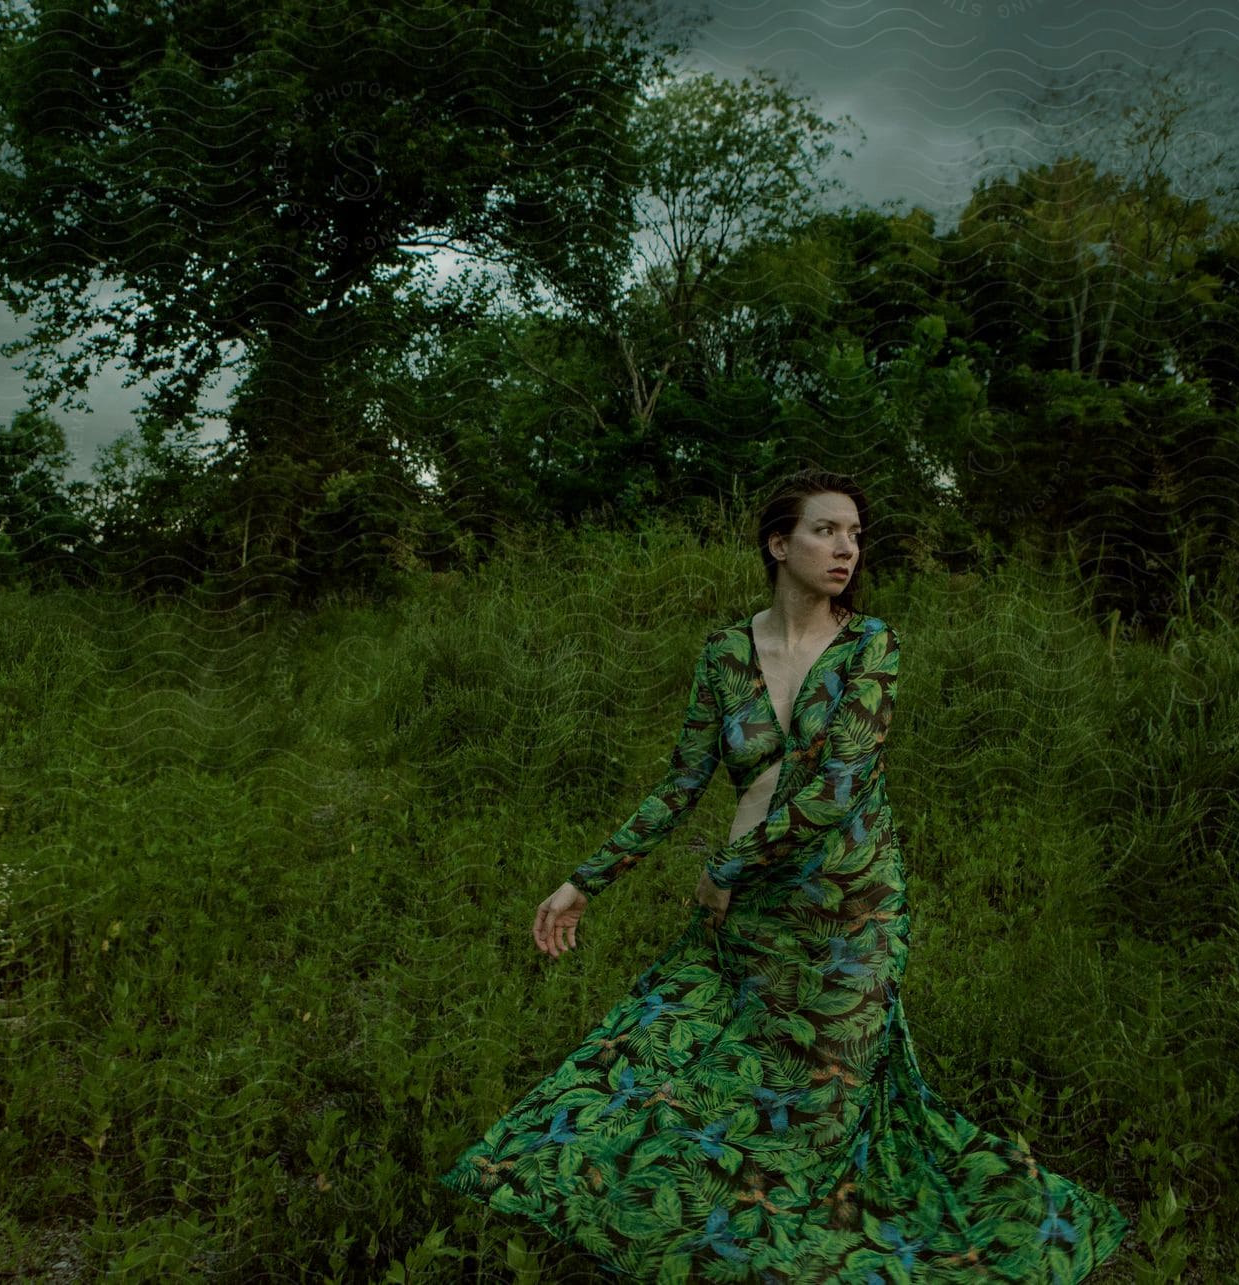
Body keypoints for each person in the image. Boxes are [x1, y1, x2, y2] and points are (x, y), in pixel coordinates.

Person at [438, 467, 1129, 1282]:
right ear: (778, 542)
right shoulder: (727, 654)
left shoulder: (872, 646)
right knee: (648, 1065)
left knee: (807, 1122)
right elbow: (682, 780)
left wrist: (722, 865)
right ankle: (675, 1234)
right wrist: (585, 879)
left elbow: (837, 790)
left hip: (850, 915)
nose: (847, 548)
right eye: (826, 530)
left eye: (855, 534)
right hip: (745, 916)